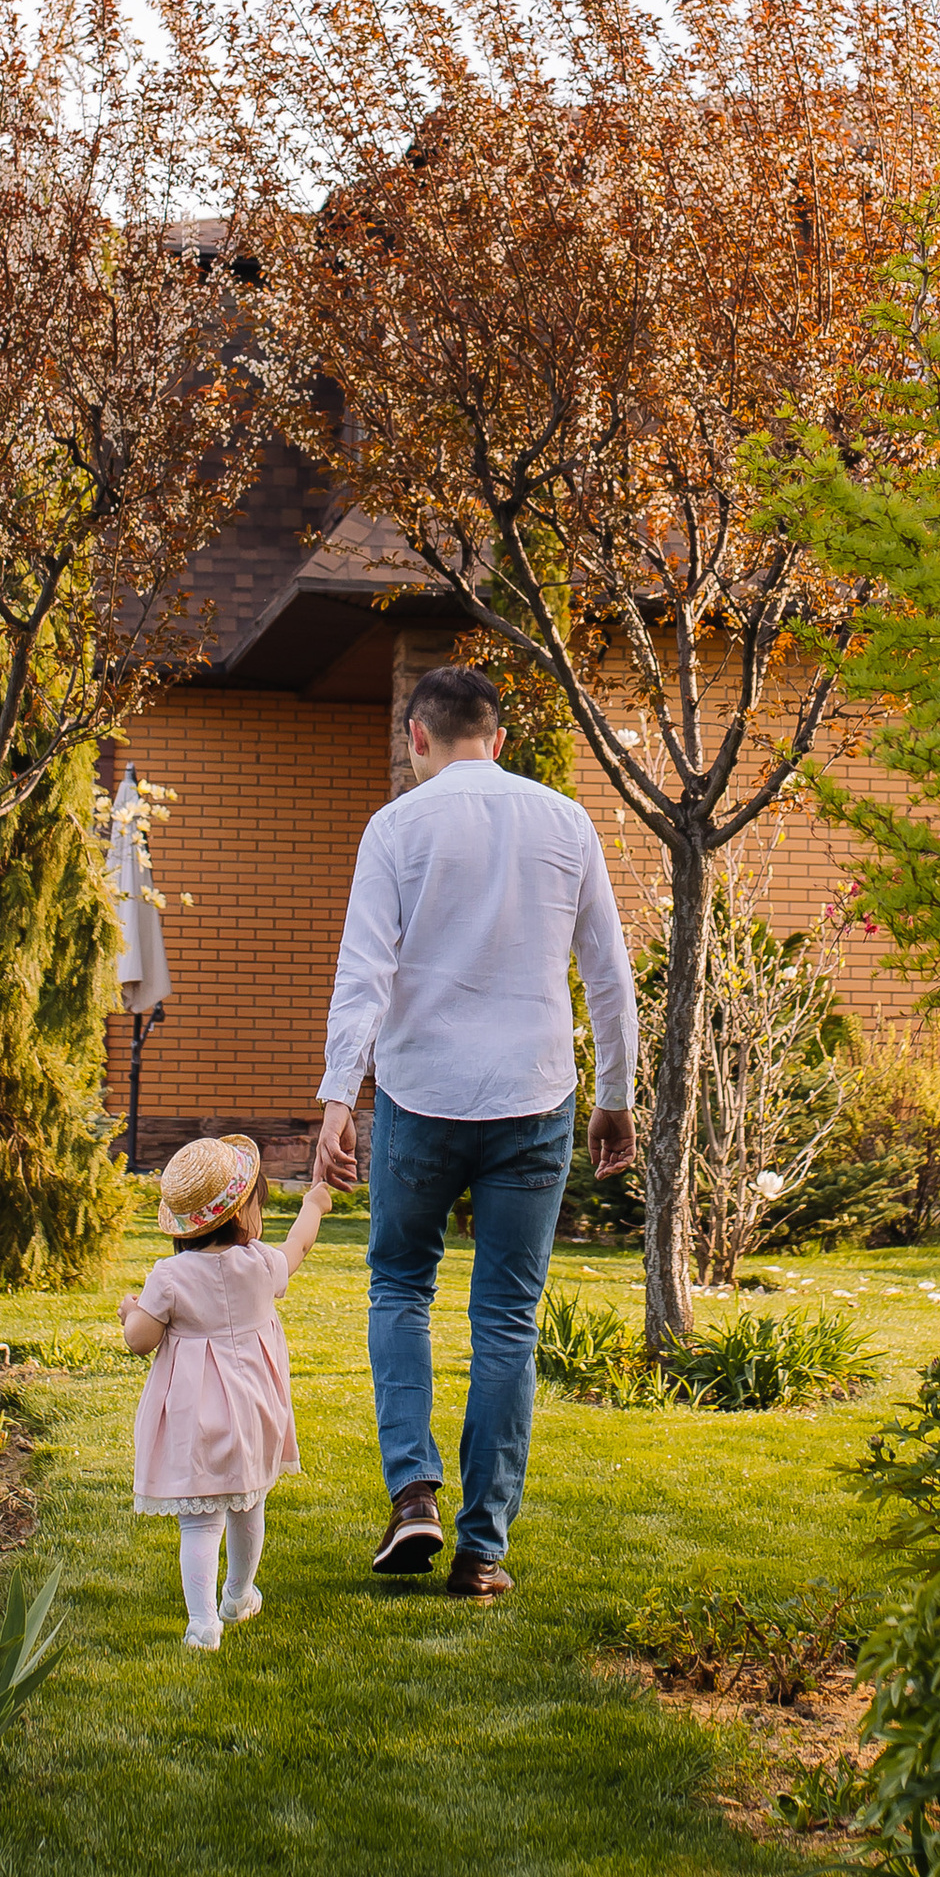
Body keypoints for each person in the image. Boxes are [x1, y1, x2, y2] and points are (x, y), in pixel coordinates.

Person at [315, 661, 637, 1598]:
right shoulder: (566, 822)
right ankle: (482, 1551)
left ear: (417, 736)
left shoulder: (395, 827)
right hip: (534, 1100)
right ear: (498, 740)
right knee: (506, 1319)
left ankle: (412, 1491)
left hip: (419, 1099)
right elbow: (609, 973)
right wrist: (615, 1095)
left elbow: (363, 973)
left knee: (398, 1289)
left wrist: (337, 1100)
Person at [120, 1131, 332, 1651]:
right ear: (241, 1214)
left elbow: (140, 1340)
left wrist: (131, 1312)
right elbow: (299, 1246)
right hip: (255, 1412)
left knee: (199, 1523)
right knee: (248, 1503)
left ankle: (202, 1624)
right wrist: (314, 1204)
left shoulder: (170, 1277)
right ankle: (238, 1595)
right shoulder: (260, 1264)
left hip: (196, 1417)